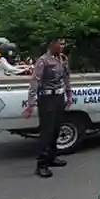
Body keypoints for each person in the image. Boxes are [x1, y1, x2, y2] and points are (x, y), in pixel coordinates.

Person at [25, 38, 73, 178]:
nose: (63, 46)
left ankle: (52, 157)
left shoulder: (62, 59)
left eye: (64, 44)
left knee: (56, 129)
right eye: (60, 44)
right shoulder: (43, 61)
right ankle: (41, 165)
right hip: (47, 99)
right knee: (47, 132)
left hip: (59, 98)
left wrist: (69, 95)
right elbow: (35, 81)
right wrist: (30, 103)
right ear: (52, 44)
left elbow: (66, 77)